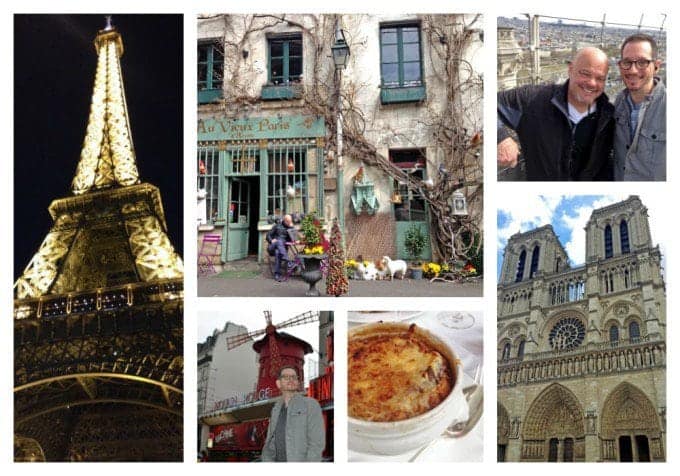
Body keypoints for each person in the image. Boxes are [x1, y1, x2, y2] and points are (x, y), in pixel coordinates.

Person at [497, 47, 615, 180]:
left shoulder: (611, 115)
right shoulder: (533, 100)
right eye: (585, 74)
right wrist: (501, 138)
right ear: (570, 70)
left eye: (600, 78)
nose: (592, 83)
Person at [613, 33, 665, 181]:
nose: (633, 70)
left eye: (642, 62)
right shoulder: (618, 103)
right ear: (620, 65)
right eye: (627, 62)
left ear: (656, 66)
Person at [261, 366, 324, 462]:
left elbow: (316, 443)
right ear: (278, 383)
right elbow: (271, 441)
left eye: (294, 377)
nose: (291, 379)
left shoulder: (311, 405)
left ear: (298, 382)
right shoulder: (275, 410)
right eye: (286, 377)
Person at [266, 214, 295, 281]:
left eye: (290, 221)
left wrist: (291, 228)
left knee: (277, 252)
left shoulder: (289, 228)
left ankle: (277, 274)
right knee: (279, 241)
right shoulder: (277, 226)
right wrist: (271, 240)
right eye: (288, 221)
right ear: (284, 221)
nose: (290, 223)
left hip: (282, 250)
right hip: (272, 247)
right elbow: (268, 235)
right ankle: (288, 261)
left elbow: (293, 239)